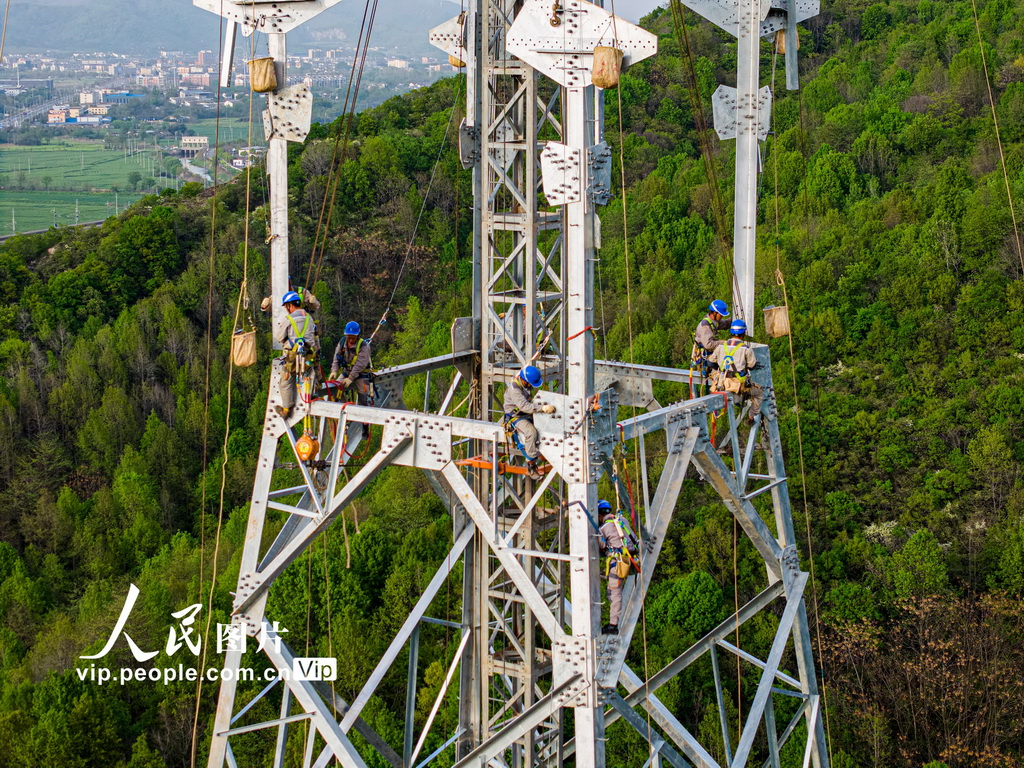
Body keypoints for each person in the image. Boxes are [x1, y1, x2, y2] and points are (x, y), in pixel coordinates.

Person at [502, 365, 556, 480]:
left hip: (525, 413)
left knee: (543, 424)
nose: (531, 386)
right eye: (530, 383)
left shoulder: (522, 381)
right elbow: (525, 407)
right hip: (516, 417)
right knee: (531, 432)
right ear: (524, 381)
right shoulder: (515, 390)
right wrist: (542, 408)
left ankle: (544, 450)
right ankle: (531, 463)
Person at [597, 499, 638, 636]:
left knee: (614, 593)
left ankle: (613, 625)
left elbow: (600, 547)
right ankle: (614, 619)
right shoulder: (622, 520)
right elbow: (633, 536)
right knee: (612, 591)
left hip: (618, 563)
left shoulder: (603, 529)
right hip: (630, 559)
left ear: (599, 515)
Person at [274, 291, 317, 419]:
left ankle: (286, 409)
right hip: (308, 354)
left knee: (286, 380)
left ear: (289, 305)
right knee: (309, 374)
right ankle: (311, 396)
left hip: (293, 356)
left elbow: (279, 337)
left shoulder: (289, 319)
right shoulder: (309, 317)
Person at [711, 318, 763, 423]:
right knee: (759, 393)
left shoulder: (721, 346)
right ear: (743, 333)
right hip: (737, 386)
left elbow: (711, 361)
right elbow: (752, 365)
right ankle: (751, 416)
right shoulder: (746, 348)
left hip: (721, 383)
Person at [329, 321, 373, 407]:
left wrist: (350, 378)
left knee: (363, 398)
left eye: (353, 338)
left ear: (357, 335)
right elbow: (337, 357)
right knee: (334, 389)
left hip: (361, 373)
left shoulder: (364, 346)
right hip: (347, 371)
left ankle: (362, 416)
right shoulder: (342, 343)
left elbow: (360, 364)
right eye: (349, 337)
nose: (351, 340)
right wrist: (334, 371)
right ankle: (346, 408)